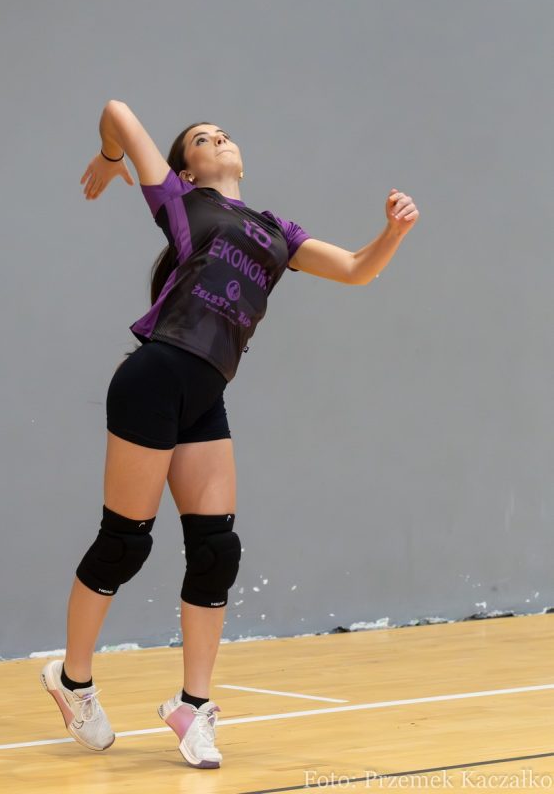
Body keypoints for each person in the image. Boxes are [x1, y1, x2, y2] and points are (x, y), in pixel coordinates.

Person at [40, 99, 420, 769]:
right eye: (202, 138)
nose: (218, 138)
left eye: (223, 133)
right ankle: (72, 681)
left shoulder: (277, 232)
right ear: (185, 169)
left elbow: (358, 268)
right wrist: (109, 158)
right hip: (155, 377)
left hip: (205, 393)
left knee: (216, 551)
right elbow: (117, 112)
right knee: (124, 543)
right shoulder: (181, 202)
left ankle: (192, 706)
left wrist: (392, 231)